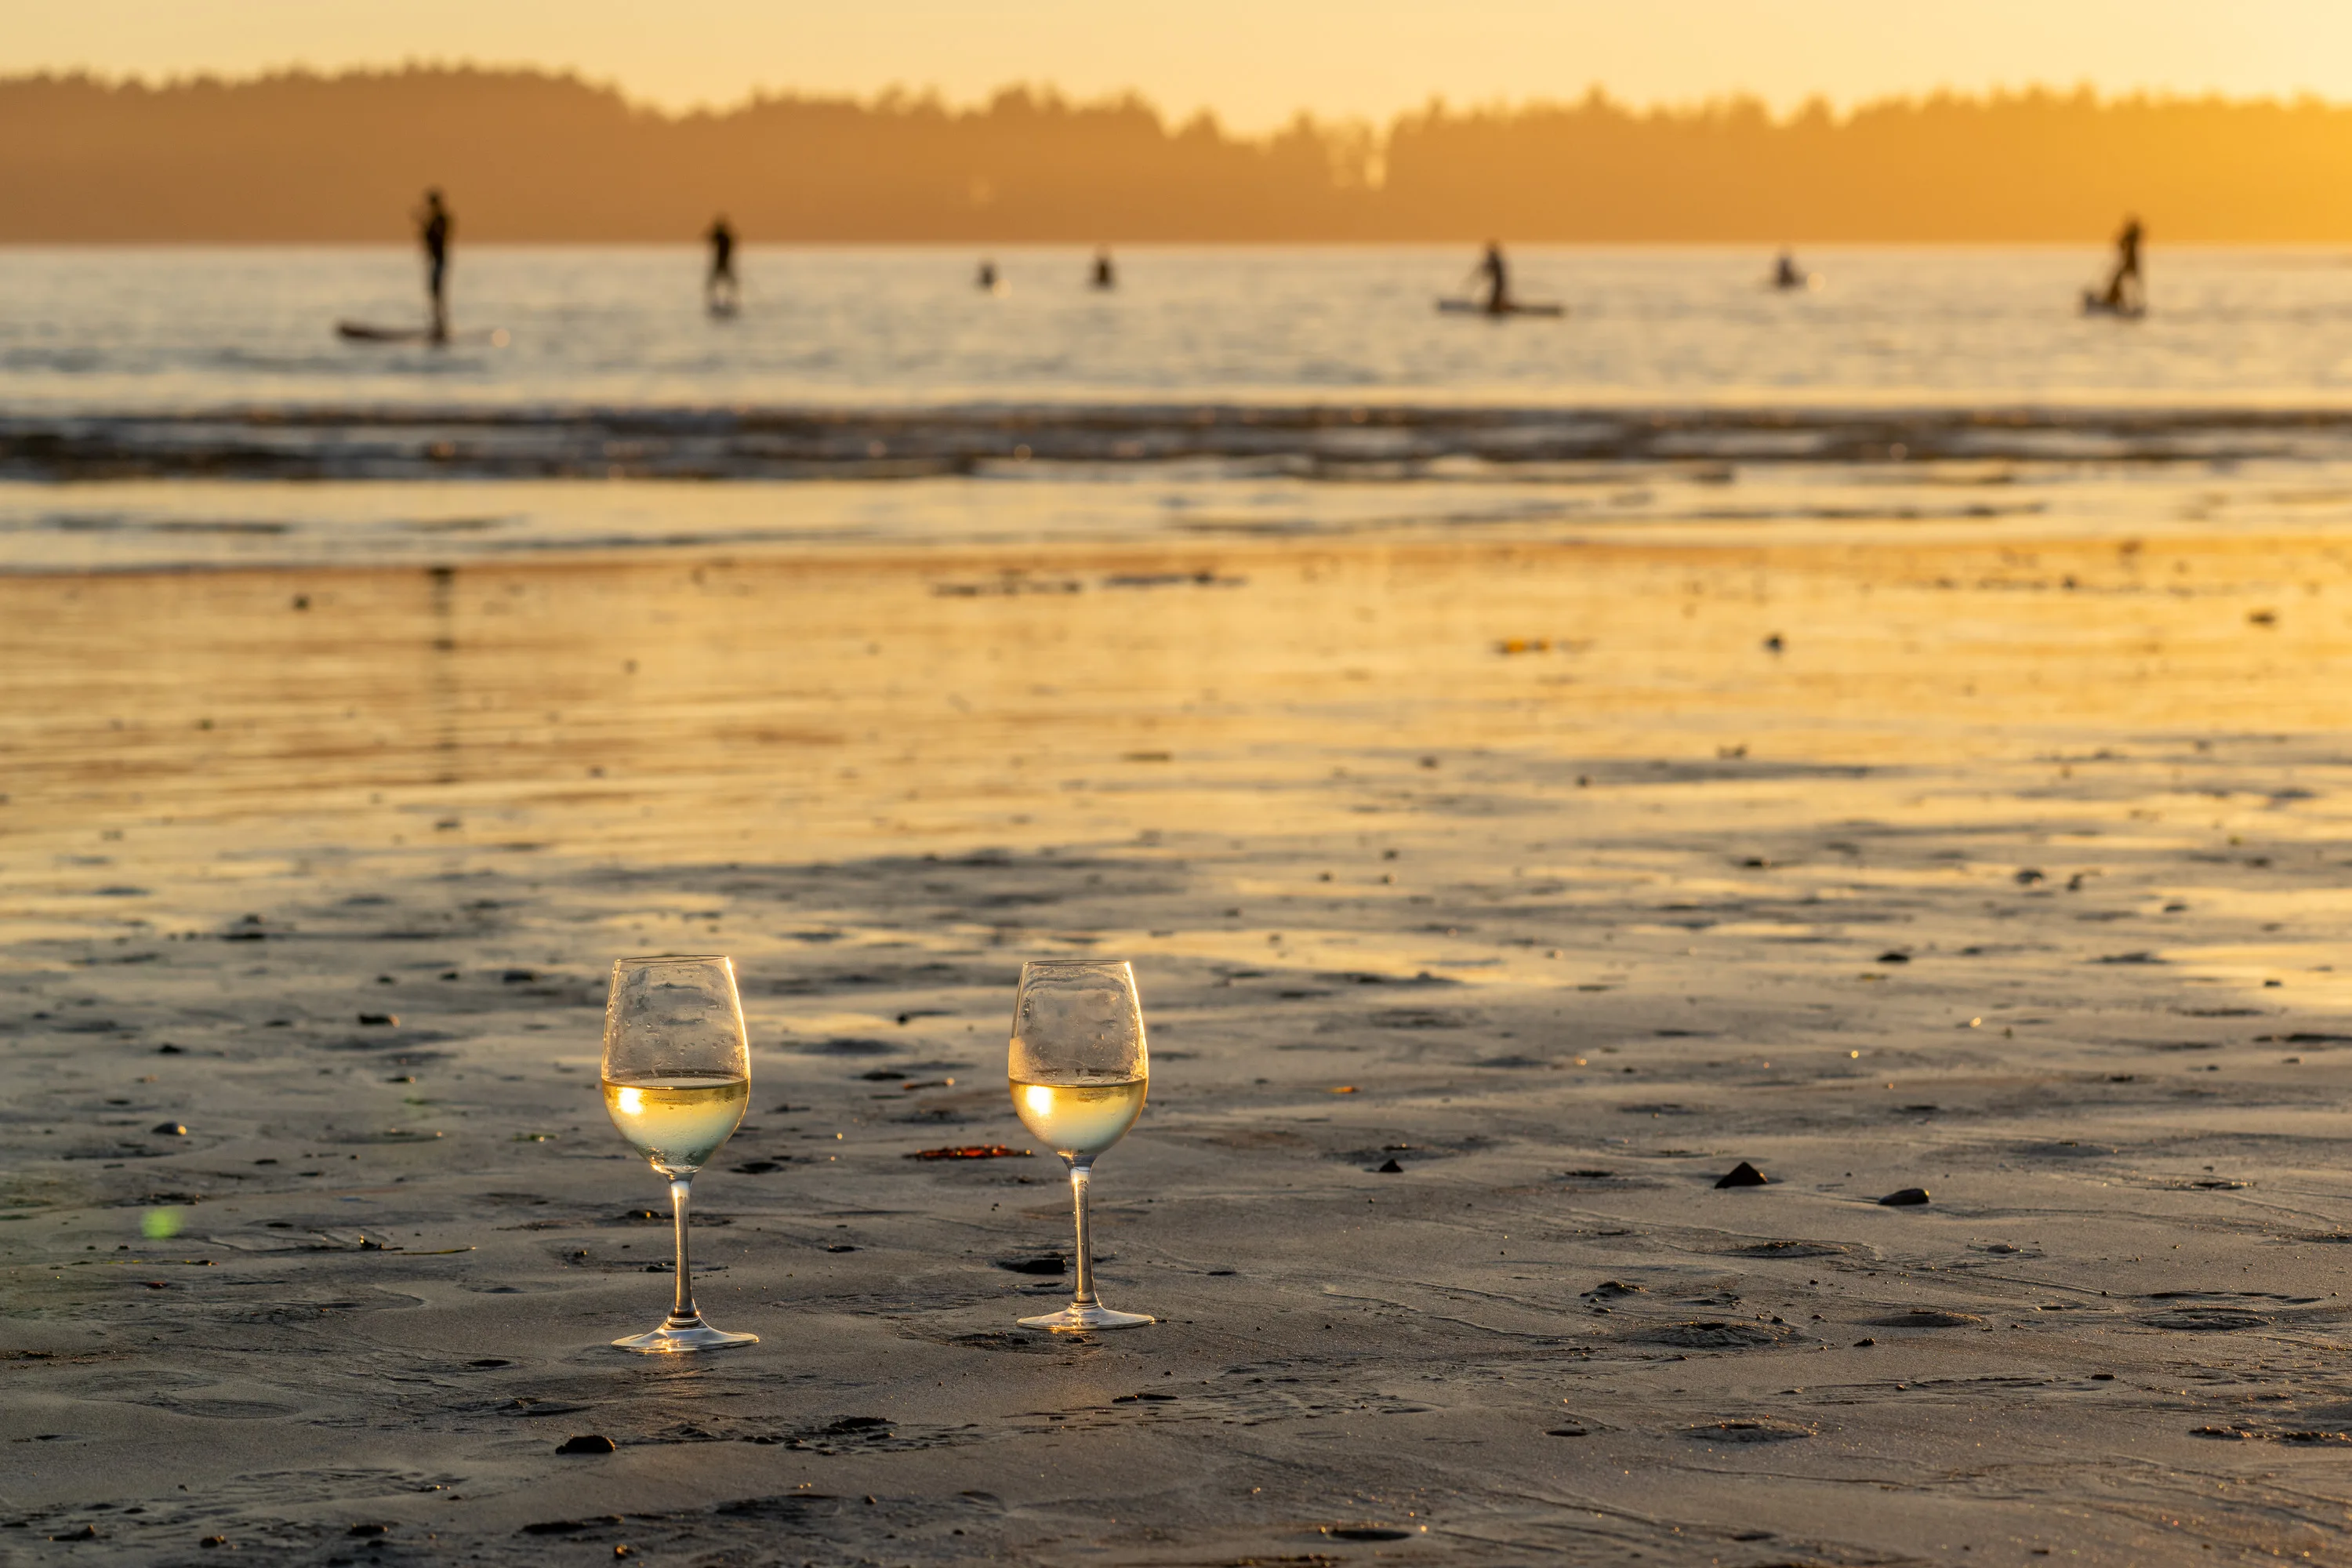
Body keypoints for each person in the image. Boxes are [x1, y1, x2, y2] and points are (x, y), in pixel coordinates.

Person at [416, 189, 452, 341]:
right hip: (435, 260)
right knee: (434, 292)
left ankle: (440, 326)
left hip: (439, 260)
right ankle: (438, 324)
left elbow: (438, 236)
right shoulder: (435, 219)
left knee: (437, 292)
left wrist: (424, 224)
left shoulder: (441, 218)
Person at [2100, 216, 2144, 311]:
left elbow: (2120, 244)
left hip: (2129, 265)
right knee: (2120, 282)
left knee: (2119, 281)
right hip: (2131, 265)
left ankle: (2114, 301)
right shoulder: (2133, 238)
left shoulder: (2131, 238)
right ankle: (2117, 301)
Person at [706, 216, 739, 314]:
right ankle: (718, 299)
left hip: (723, 262)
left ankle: (728, 299)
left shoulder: (724, 237)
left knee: (727, 281)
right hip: (722, 262)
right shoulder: (723, 237)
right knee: (717, 282)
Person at [1475, 241, 1511, 314]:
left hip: (1498, 283)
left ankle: (1496, 308)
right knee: (1496, 295)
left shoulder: (1495, 260)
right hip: (1498, 283)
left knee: (1496, 295)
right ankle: (1496, 307)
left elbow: (1487, 270)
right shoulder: (1496, 260)